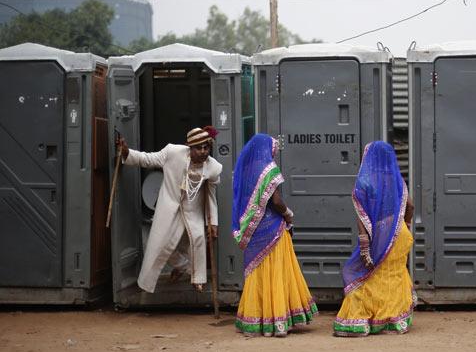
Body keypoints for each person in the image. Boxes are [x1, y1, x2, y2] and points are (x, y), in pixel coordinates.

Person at [116, 126, 223, 293]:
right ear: (189, 147)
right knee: (161, 245)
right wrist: (126, 152)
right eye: (198, 148)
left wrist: (213, 222)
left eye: (206, 147)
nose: (203, 152)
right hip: (169, 209)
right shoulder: (172, 152)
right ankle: (184, 267)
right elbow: (148, 159)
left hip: (193, 211)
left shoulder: (213, 167)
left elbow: (210, 196)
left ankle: (198, 279)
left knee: (199, 239)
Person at [232, 133, 317, 337]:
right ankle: (278, 320)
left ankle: (256, 320)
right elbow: (276, 201)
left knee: (257, 273)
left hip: (254, 232)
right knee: (276, 272)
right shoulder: (269, 170)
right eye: (273, 149)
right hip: (272, 229)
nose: (274, 153)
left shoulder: (244, 171)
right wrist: (289, 215)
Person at [333, 141, 415, 337]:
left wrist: (364, 246)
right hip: (400, 233)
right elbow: (410, 206)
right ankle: (393, 320)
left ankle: (360, 320)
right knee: (392, 275)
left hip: (379, 235)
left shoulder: (366, 181)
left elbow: (362, 216)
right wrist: (405, 227)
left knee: (364, 273)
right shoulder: (396, 180)